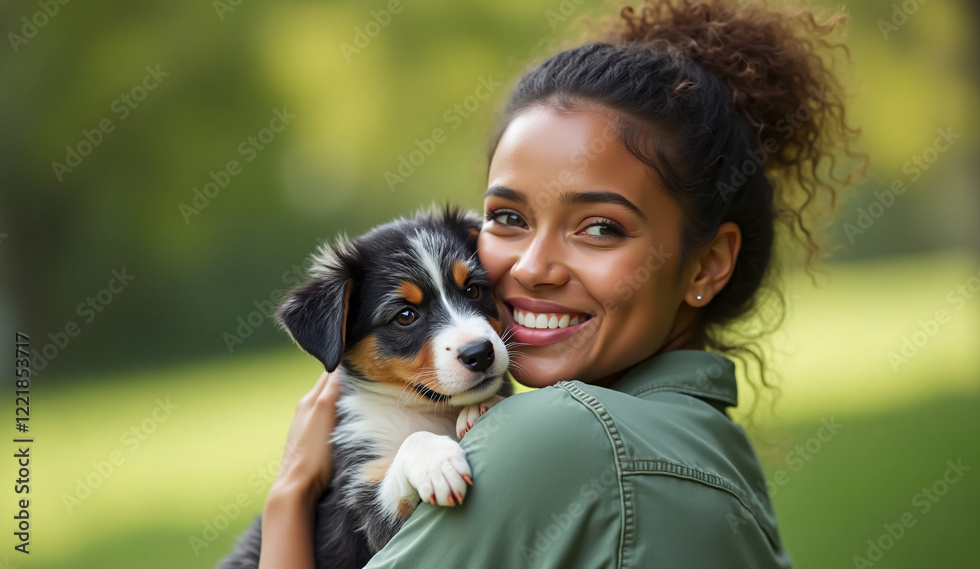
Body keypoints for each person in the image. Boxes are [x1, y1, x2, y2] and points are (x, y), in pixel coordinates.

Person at [256, 0, 861, 567]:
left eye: (600, 227)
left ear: (705, 264)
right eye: (509, 219)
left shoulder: (558, 436)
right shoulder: (709, 443)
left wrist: (290, 494)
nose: (532, 268)